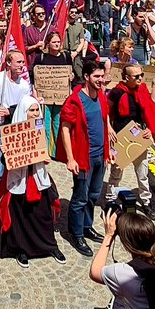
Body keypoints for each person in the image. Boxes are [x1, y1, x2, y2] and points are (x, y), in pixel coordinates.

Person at [0, 95, 65, 267]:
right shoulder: (11, 132)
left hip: (37, 178)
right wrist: (6, 152)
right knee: (20, 216)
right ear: (23, 112)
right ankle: (21, 250)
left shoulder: (41, 129)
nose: (35, 114)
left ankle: (49, 246)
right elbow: (7, 163)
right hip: (19, 179)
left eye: (37, 110)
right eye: (31, 110)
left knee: (43, 215)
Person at [58, 59, 112, 257]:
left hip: (100, 155)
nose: (101, 80)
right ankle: (76, 232)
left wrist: (110, 147)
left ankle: (87, 226)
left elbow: (104, 119)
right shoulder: (74, 100)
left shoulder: (101, 95)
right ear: (87, 77)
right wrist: (70, 158)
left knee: (93, 195)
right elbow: (65, 128)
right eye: (97, 77)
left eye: (102, 76)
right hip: (83, 158)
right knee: (80, 197)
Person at [102, 63, 155, 219]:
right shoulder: (117, 92)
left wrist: (149, 129)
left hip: (139, 136)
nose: (141, 78)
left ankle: (146, 202)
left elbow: (149, 110)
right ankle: (110, 201)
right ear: (127, 78)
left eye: (141, 75)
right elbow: (105, 110)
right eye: (137, 76)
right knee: (116, 172)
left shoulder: (142, 90)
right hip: (121, 136)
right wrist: (109, 128)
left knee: (142, 172)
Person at [0, 50, 32, 207]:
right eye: (19, 62)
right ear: (8, 63)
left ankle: (12, 203)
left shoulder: (23, 85)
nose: (22, 66)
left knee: (16, 168)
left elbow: (27, 107)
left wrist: (11, 111)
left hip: (16, 130)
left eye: (23, 62)